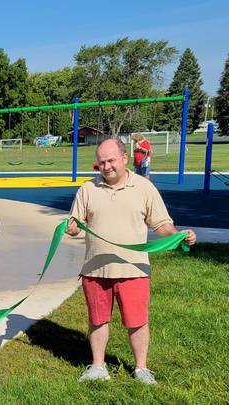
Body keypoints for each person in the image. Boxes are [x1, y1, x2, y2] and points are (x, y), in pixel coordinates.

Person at [67, 139, 196, 385]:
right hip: (95, 269)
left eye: (111, 160)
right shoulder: (87, 189)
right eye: (101, 162)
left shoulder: (144, 188)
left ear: (124, 158)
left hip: (134, 270)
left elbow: (161, 224)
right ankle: (97, 366)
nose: (106, 167)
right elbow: (75, 224)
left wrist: (179, 235)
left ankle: (141, 369)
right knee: (97, 319)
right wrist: (71, 228)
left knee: (137, 321)